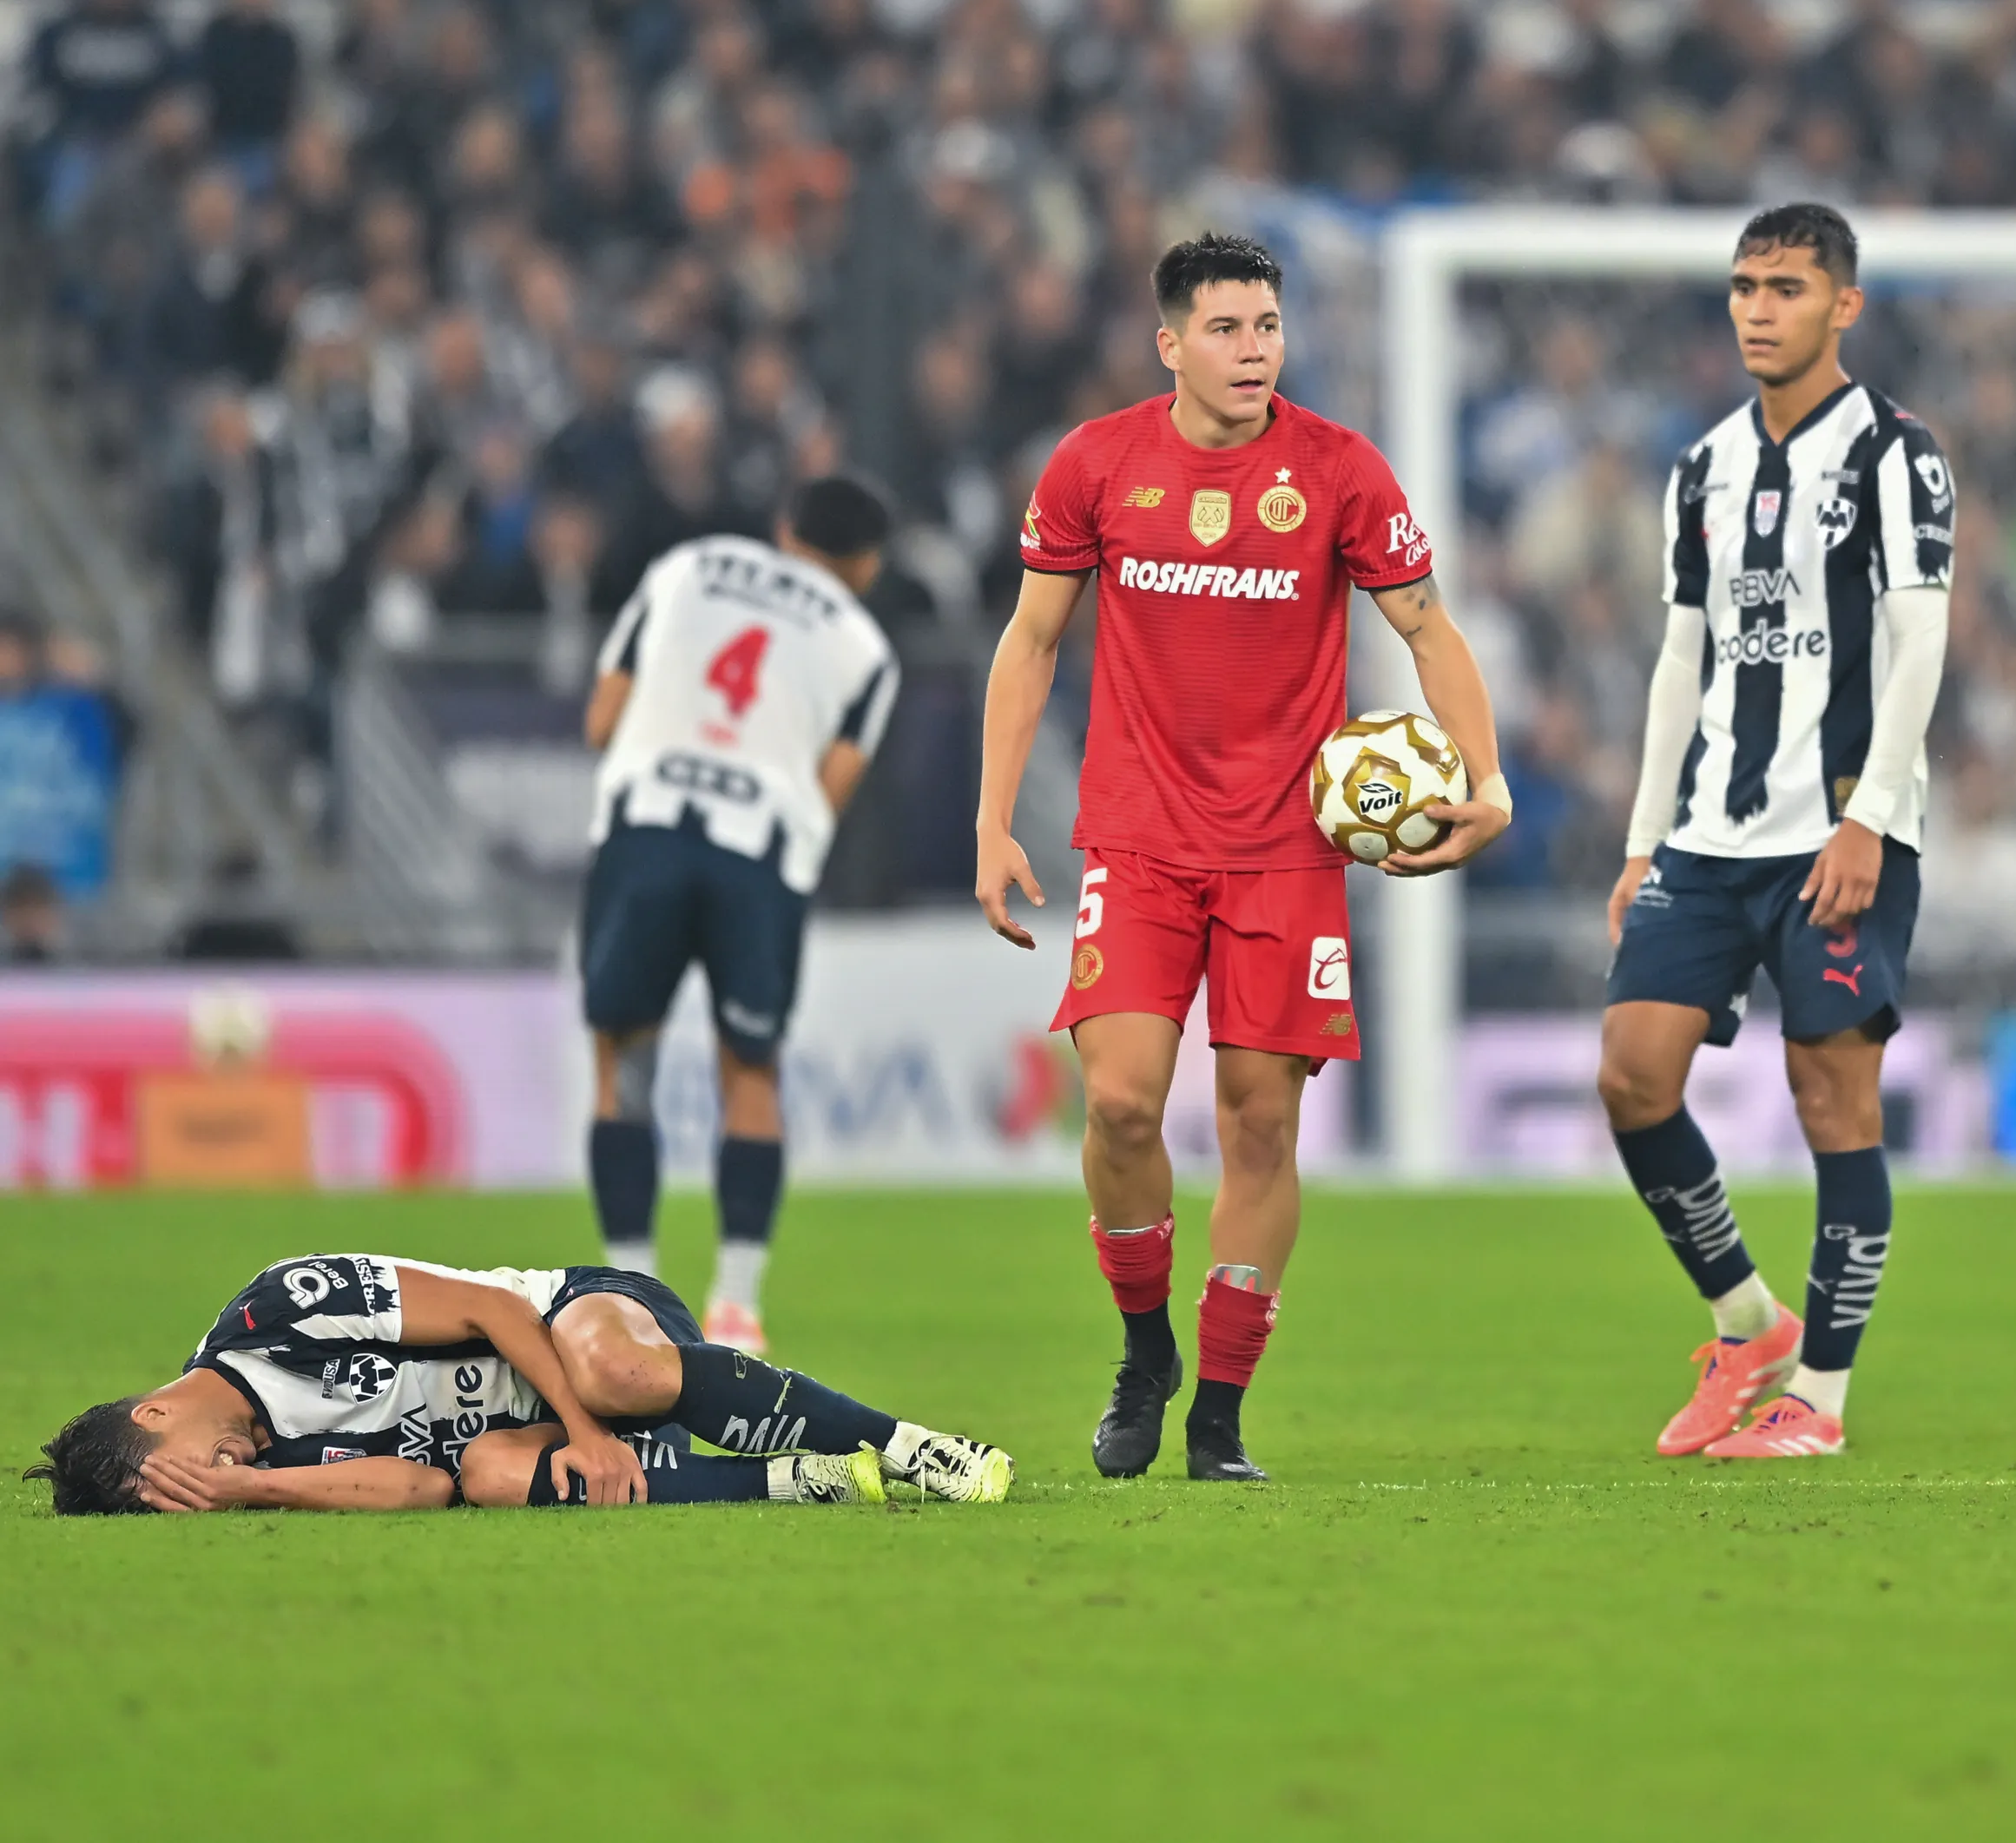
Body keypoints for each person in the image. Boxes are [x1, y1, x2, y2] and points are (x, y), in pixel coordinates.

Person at [974, 234, 1508, 1484]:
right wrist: (993, 819)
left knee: (1261, 1126)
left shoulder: (1339, 470)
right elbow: (1030, 641)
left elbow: (1428, 631)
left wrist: (1484, 781)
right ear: (1171, 343)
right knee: (1116, 1100)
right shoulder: (1095, 463)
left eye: (1267, 324)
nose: (1254, 347)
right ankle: (1143, 1344)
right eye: (1226, 327)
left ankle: (1217, 1414)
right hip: (1142, 836)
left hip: (1287, 848)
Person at [1596, 201, 1953, 1464]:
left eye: (1788, 287)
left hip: (1839, 830)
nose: (1759, 306)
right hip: (1707, 833)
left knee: (1831, 1094)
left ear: (1843, 305)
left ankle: (1824, 1399)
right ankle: (1745, 1320)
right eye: (1745, 285)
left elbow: (1920, 639)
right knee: (1632, 1072)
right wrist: (1644, 838)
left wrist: (1867, 815)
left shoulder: (1895, 456)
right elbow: (1680, 660)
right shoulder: (1701, 467)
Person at [579, 476, 903, 1359]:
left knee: (622, 1062)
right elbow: (829, 793)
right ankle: (734, 1307)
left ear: (782, 527)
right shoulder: (866, 647)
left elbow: (602, 718)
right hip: (758, 852)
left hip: (647, 829)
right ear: (866, 566)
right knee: (750, 1073)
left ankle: (630, 1298)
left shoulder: (685, 568)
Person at [28, 1249, 1009, 1516]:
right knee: (490, 1479)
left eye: (196, 1470)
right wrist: (253, 1486)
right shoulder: (262, 1466)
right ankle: (807, 1482)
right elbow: (427, 1487)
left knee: (609, 1369)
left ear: (155, 1415)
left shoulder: (280, 1309)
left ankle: (903, 1446)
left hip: (589, 1323)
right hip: (553, 1444)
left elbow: (493, 1315)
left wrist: (583, 1427)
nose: (226, 1471)